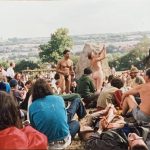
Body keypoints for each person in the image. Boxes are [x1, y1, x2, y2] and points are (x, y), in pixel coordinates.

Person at [29, 79, 81, 149]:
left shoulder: (32, 106)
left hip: (45, 144)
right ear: (48, 88)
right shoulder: (59, 99)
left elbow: (34, 129)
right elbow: (64, 119)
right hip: (64, 142)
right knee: (75, 123)